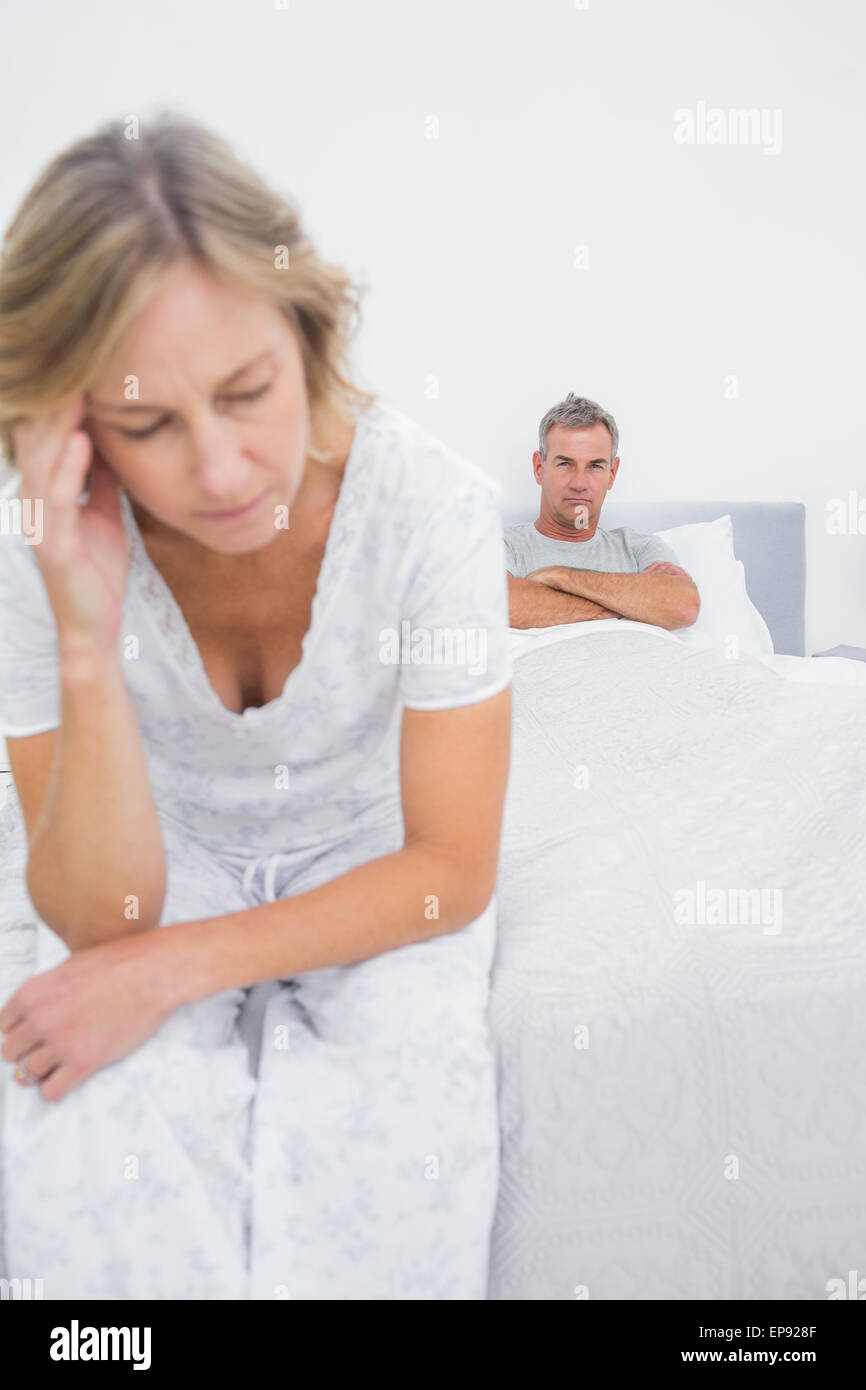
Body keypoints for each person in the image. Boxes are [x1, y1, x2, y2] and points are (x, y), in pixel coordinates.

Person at [0, 113, 512, 1300]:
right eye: (149, 426)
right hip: (157, 845)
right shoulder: (34, 548)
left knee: (398, 1165)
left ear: (306, 331)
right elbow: (100, 916)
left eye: (246, 391)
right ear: (75, 428)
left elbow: (451, 868)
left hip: (374, 856)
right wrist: (85, 628)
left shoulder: (430, 509)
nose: (223, 472)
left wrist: (180, 967)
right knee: (92, 1140)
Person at [505, 393, 700, 630]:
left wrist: (557, 576)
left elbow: (683, 606)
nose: (579, 483)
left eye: (595, 466)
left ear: (612, 474)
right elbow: (500, 606)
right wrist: (634, 604)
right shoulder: (506, 545)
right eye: (565, 464)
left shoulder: (639, 548)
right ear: (539, 468)